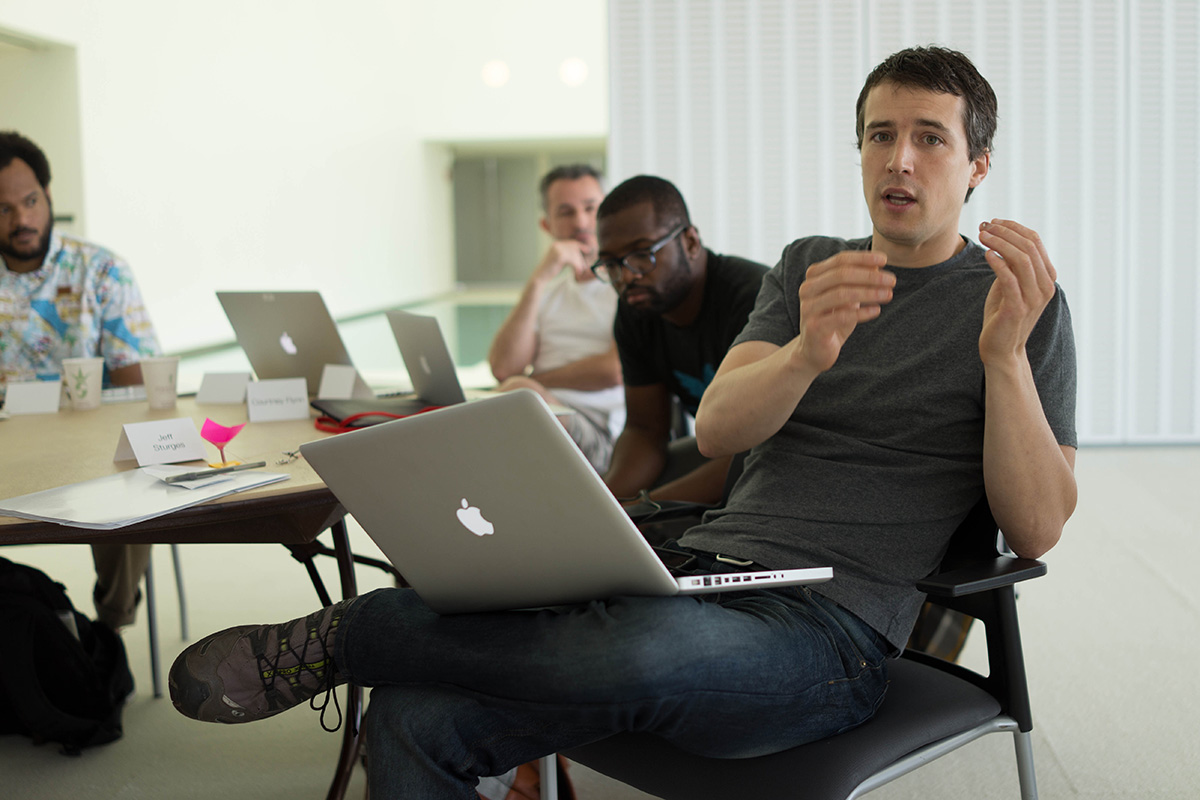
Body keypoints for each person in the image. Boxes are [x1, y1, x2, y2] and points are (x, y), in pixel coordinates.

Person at [169, 46, 1077, 799]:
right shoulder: (810, 265)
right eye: (880, 135)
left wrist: (1003, 358)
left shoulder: (1018, 303)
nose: (899, 160)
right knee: (414, 719)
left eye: (930, 138)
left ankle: (347, 636)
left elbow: (1036, 528)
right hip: (698, 573)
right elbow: (718, 430)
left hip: (830, 633)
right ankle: (372, 646)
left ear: (977, 164)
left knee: (636, 642)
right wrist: (807, 352)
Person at [0, 131, 161, 631]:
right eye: (3, 209)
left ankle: (108, 632)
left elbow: (138, 392)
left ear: (48, 195)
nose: (22, 220)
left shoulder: (102, 270)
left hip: (90, 450)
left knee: (137, 475)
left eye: (30, 201)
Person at [595, 175, 768, 506]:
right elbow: (645, 430)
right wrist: (603, 505)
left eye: (642, 254)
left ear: (690, 242)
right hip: (723, 454)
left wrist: (643, 510)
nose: (627, 276)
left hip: (791, 460)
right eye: (611, 264)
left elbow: (757, 452)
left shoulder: (755, 298)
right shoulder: (636, 311)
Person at [487, 165, 624, 472]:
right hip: (537, 413)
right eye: (566, 212)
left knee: (516, 398)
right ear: (546, 225)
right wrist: (539, 278)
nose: (581, 222)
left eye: (590, 208)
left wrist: (533, 384)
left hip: (600, 435)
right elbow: (504, 368)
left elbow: (614, 370)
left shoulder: (627, 286)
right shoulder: (547, 292)